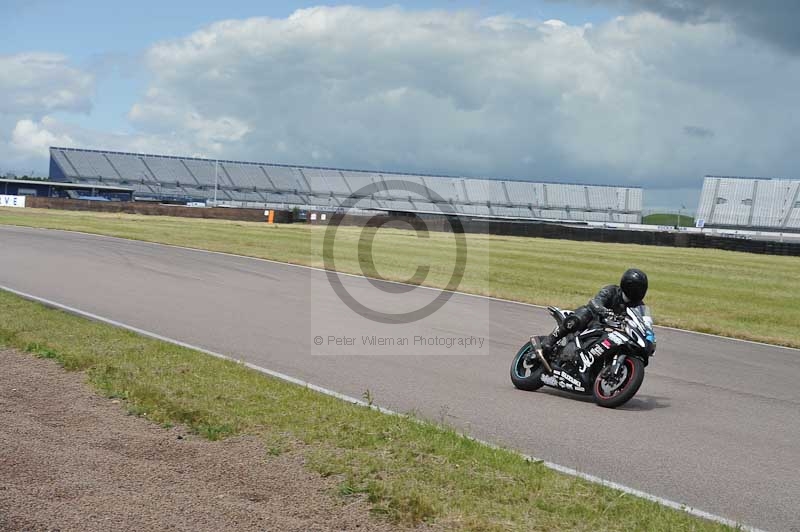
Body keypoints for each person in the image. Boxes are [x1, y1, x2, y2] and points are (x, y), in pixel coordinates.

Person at [539, 268, 649, 362]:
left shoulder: (638, 306)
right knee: (585, 313)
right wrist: (603, 310)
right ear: (628, 286)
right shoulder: (611, 291)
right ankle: (550, 341)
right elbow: (595, 302)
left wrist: (647, 331)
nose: (639, 292)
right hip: (594, 322)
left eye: (642, 289)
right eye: (637, 289)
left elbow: (643, 321)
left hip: (613, 331)